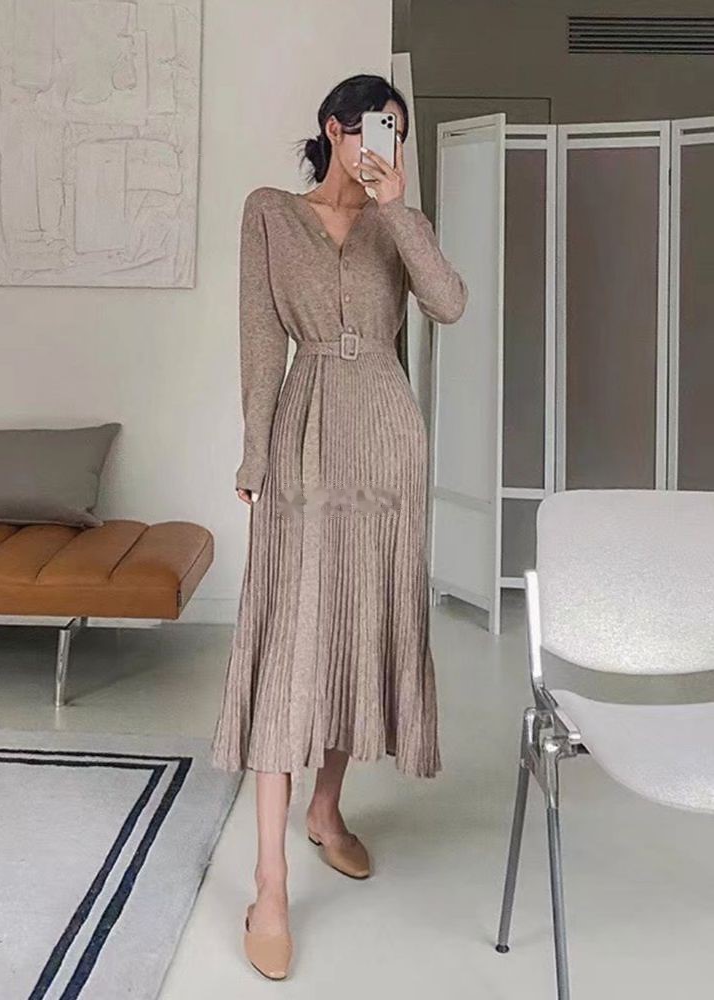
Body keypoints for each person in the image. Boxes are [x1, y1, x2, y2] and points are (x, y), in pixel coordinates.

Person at [210, 73, 469, 980]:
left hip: (387, 437)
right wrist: (255, 453)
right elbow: (259, 340)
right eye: (373, 128)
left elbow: (449, 304)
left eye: (398, 132)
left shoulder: (399, 222)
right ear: (334, 127)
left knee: (357, 628)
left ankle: (324, 810)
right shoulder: (270, 212)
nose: (383, 144)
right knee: (292, 640)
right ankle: (271, 884)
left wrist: (399, 210)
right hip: (307, 429)